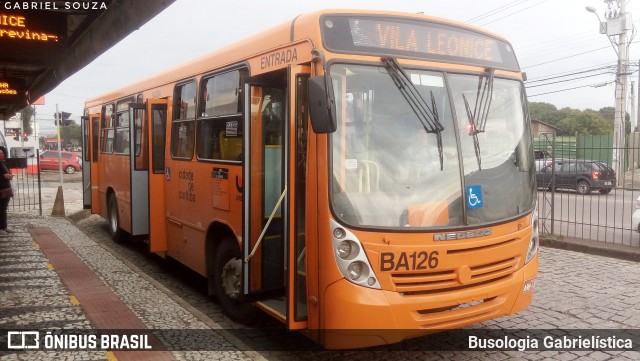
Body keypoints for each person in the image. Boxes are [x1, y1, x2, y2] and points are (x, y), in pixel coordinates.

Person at [0, 146, 14, 234]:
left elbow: (7, 173)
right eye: (0, 153)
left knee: (3, 209)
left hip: (6, 189)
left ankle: (3, 226)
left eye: (2, 153)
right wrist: (3, 176)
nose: (1, 154)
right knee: (1, 209)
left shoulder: (3, 163)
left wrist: (9, 175)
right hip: (1, 189)